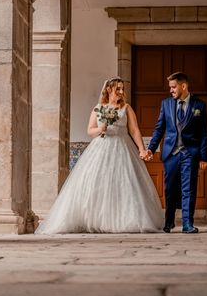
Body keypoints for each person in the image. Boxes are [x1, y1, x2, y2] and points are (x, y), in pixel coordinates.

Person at [35, 77, 163, 234]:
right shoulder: (98, 109)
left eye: (123, 89)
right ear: (109, 90)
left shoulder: (126, 108)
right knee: (96, 183)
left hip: (123, 147)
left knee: (125, 182)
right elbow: (90, 131)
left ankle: (126, 220)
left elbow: (134, 130)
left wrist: (142, 150)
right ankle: (96, 219)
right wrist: (100, 129)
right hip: (100, 148)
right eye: (118, 89)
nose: (122, 92)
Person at [141, 72, 207, 234]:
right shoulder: (166, 104)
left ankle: (187, 224)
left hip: (190, 153)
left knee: (188, 189)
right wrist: (151, 148)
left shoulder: (199, 105)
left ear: (183, 86)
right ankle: (169, 221)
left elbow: (204, 133)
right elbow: (159, 129)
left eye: (173, 87)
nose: (170, 90)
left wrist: (203, 156)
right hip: (171, 153)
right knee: (170, 189)